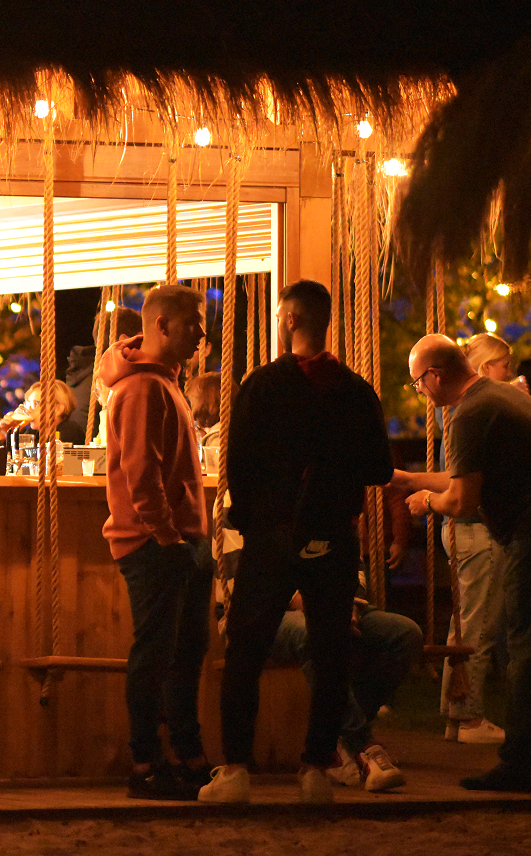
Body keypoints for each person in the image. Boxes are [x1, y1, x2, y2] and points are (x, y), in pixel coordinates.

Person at [200, 279, 392, 805]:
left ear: (288, 320)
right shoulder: (355, 391)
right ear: (325, 321)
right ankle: (314, 769)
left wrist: (257, 517)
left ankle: (236, 769)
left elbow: (238, 465)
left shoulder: (263, 386)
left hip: (272, 536)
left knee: (246, 650)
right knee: (332, 653)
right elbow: (379, 467)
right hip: (333, 537)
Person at [399, 335, 531, 791]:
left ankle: (522, 762)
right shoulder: (499, 396)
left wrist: (425, 502)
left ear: (435, 375)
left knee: (529, 644)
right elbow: (466, 475)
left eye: (417, 383)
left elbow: (462, 499)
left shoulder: (469, 413)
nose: (420, 392)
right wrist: (410, 478)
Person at [97, 283, 213, 800]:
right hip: (156, 543)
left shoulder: (162, 382)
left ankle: (186, 754)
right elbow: (141, 474)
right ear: (162, 325)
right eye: (193, 323)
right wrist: (167, 537)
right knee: (158, 654)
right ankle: (145, 762)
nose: (201, 333)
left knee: (183, 653)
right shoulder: (143, 389)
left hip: (177, 539)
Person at [431, 332, 515, 745]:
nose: (509, 375)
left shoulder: (455, 414)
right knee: (479, 626)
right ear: (484, 368)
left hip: (462, 531)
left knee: (464, 624)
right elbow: (465, 486)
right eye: (505, 366)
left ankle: (455, 713)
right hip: (476, 529)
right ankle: (469, 718)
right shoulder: (475, 413)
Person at [270, 581, 422, 793]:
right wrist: (317, 605)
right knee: (314, 633)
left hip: (330, 605)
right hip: (271, 611)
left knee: (405, 634)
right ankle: (363, 746)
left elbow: (353, 574)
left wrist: (347, 605)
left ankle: (339, 737)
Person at [60, 306, 143, 444]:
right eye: (141, 337)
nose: (144, 344)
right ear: (123, 339)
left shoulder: (85, 374)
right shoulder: (113, 381)